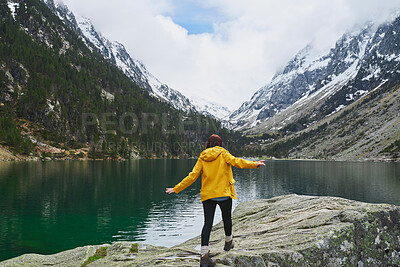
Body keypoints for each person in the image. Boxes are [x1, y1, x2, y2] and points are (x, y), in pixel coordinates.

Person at [166, 134, 265, 267]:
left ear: (208, 144)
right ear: (220, 144)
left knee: (207, 225)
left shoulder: (203, 157)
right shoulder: (224, 153)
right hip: (224, 194)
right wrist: (255, 164)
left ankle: (204, 257)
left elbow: (193, 176)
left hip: (208, 196)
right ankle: (228, 243)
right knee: (227, 219)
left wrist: (176, 188)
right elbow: (238, 162)